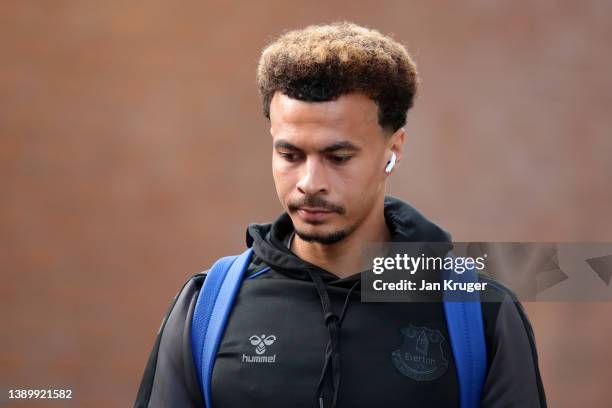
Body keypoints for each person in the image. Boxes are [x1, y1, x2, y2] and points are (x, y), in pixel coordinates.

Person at [134, 21, 546, 408]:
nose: (310, 182)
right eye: (290, 154)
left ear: (394, 150)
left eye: (338, 156)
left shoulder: (478, 311)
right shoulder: (205, 307)